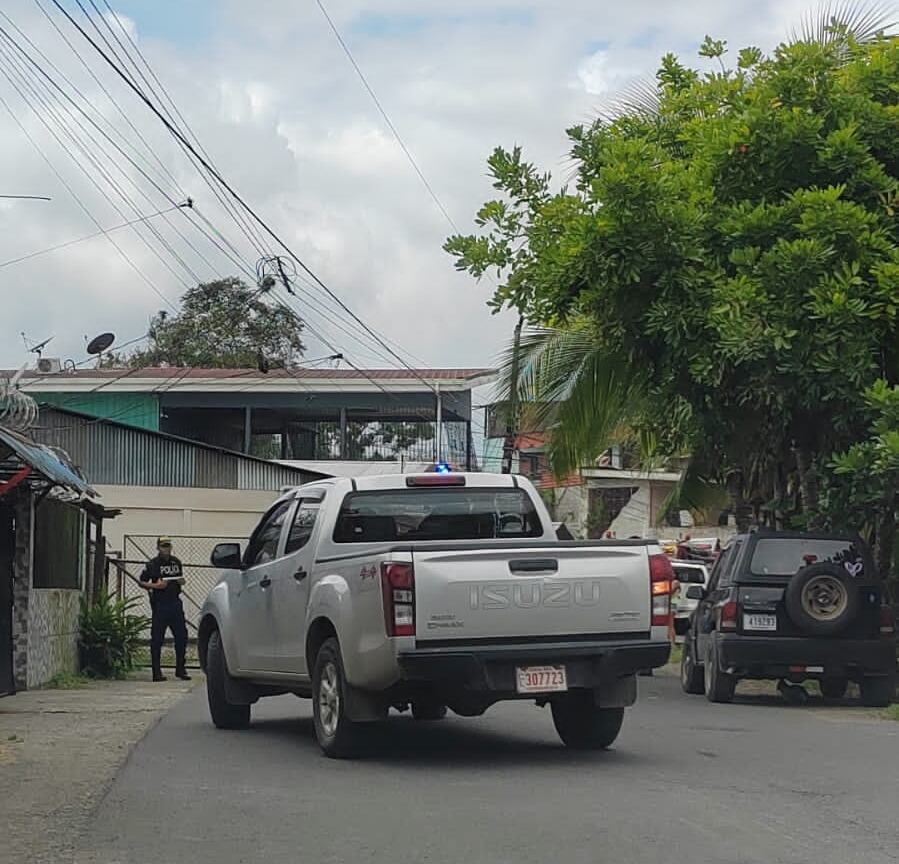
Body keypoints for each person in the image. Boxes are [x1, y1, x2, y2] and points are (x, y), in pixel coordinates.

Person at [139, 536, 190, 682]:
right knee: (157, 638)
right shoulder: (152, 564)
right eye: (163, 546)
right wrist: (155, 586)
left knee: (182, 637)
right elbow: (141, 581)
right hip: (160, 604)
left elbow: (179, 579)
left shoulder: (176, 562)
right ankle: (156, 672)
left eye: (168, 546)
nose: (166, 549)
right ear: (158, 548)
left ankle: (181, 669)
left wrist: (181, 581)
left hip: (175, 603)